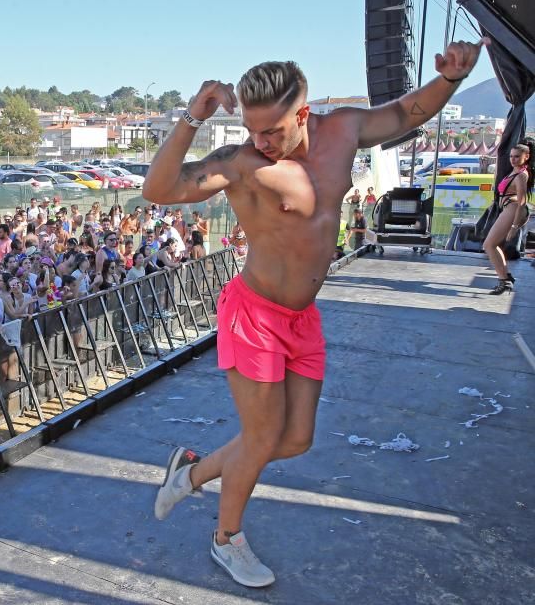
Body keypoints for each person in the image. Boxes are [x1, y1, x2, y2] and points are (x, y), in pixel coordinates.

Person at [144, 40, 486, 587]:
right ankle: (226, 539)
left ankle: (193, 471)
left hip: (302, 319)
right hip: (252, 314)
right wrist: (193, 117)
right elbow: (158, 189)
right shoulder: (244, 164)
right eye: (253, 130)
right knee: (259, 437)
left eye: (273, 130)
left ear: (303, 114)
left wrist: (448, 80)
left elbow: (404, 113)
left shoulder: (343, 130)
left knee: (296, 438)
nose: (261, 141)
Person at [483, 139, 533, 294]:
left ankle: (504, 281)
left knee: (489, 245)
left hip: (513, 209)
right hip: (508, 209)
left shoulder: (521, 176)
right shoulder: (515, 172)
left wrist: (514, 227)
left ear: (527, 156)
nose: (513, 159)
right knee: (491, 245)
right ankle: (505, 277)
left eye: (517, 156)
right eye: (511, 156)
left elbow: (521, 202)